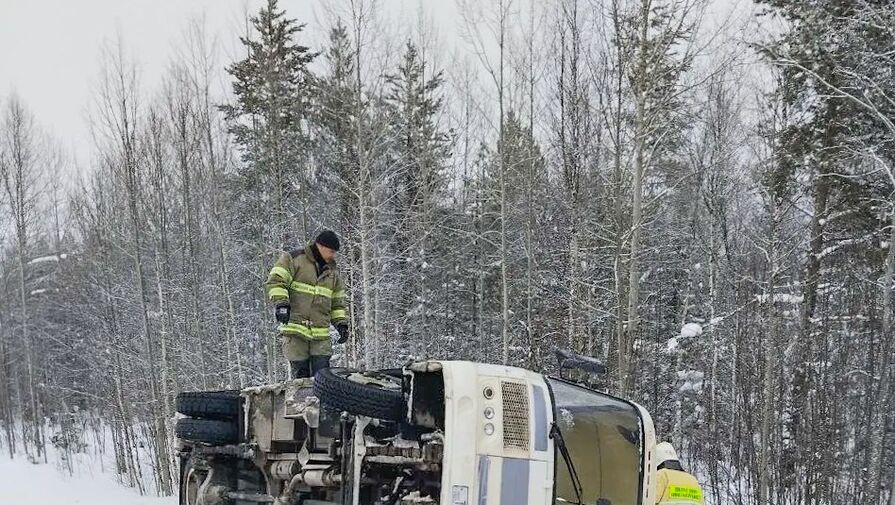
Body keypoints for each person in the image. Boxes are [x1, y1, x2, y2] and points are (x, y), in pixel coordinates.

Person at [265, 230, 350, 378]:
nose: (333, 256)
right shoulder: (293, 259)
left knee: (323, 377)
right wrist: (282, 304)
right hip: (296, 332)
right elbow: (276, 281)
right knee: (301, 379)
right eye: (331, 251)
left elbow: (337, 302)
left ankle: (321, 402)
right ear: (320, 246)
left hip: (320, 335)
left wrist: (341, 323)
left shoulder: (333, 272)